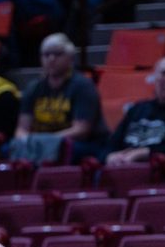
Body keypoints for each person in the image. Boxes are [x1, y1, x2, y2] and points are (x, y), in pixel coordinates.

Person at [12, 33, 105, 164]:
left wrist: (46, 141)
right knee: (9, 149)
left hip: (80, 144)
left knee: (65, 151)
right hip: (43, 143)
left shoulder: (83, 86)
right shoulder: (33, 88)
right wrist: (26, 141)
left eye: (57, 54)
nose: (51, 58)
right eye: (46, 54)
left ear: (71, 58)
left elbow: (81, 130)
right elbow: (22, 129)